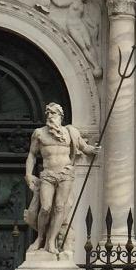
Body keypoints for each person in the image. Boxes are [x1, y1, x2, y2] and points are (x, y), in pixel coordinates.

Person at [23, 102, 96, 256]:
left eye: (53, 113)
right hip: (48, 174)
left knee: (59, 208)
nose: (50, 116)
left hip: (65, 174)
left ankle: (51, 241)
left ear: (60, 116)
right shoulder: (39, 133)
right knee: (45, 207)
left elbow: (84, 147)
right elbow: (32, 155)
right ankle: (40, 238)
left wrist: (94, 150)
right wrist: (28, 174)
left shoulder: (70, 132)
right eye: (48, 113)